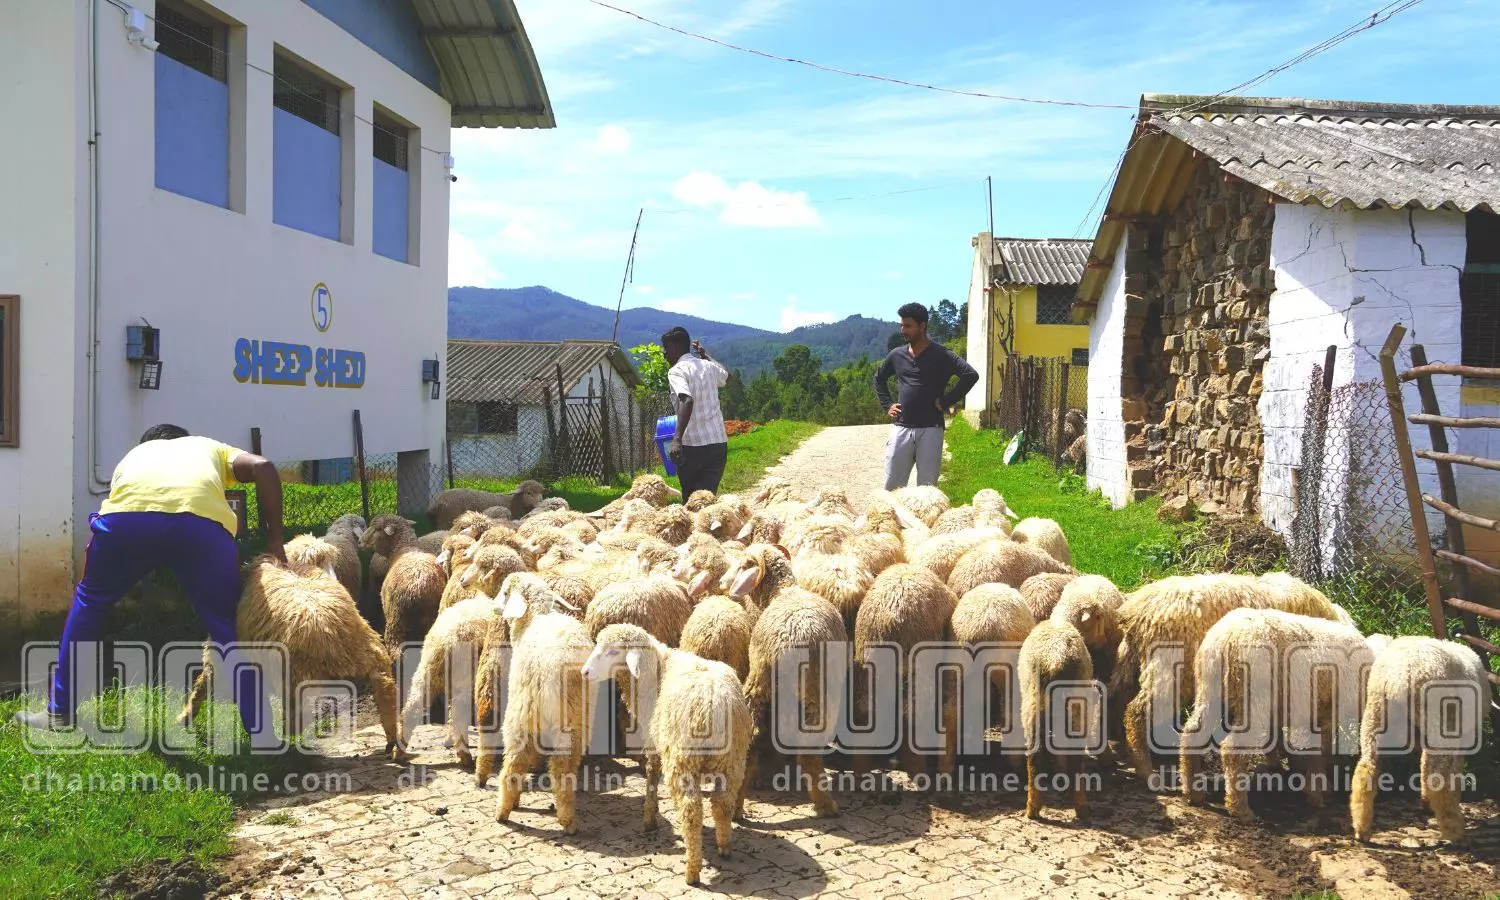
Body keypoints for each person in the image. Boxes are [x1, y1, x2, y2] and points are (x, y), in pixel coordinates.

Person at [15, 424, 284, 744]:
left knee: (90, 603)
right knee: (226, 625)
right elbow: (264, 467)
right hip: (200, 527)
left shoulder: (134, 456)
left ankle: (59, 712)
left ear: (150, 444)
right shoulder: (207, 447)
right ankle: (262, 732)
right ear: (183, 439)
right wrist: (276, 540)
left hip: (126, 522)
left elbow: (137, 508)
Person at [873, 302, 979, 491]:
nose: (903, 330)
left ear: (923, 326)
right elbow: (878, 379)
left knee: (927, 492)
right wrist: (887, 404)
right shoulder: (897, 355)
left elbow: (970, 375)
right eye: (902, 325)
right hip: (902, 428)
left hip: (931, 429)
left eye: (908, 326)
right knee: (891, 488)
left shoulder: (942, 355)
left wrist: (946, 401)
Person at [661, 326, 730, 498]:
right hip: (717, 444)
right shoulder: (708, 366)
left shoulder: (676, 371)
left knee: (692, 500)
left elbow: (687, 400)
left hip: (692, 447)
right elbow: (727, 377)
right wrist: (705, 356)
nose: (665, 353)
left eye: (667, 348)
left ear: (676, 347)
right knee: (707, 498)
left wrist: (676, 439)